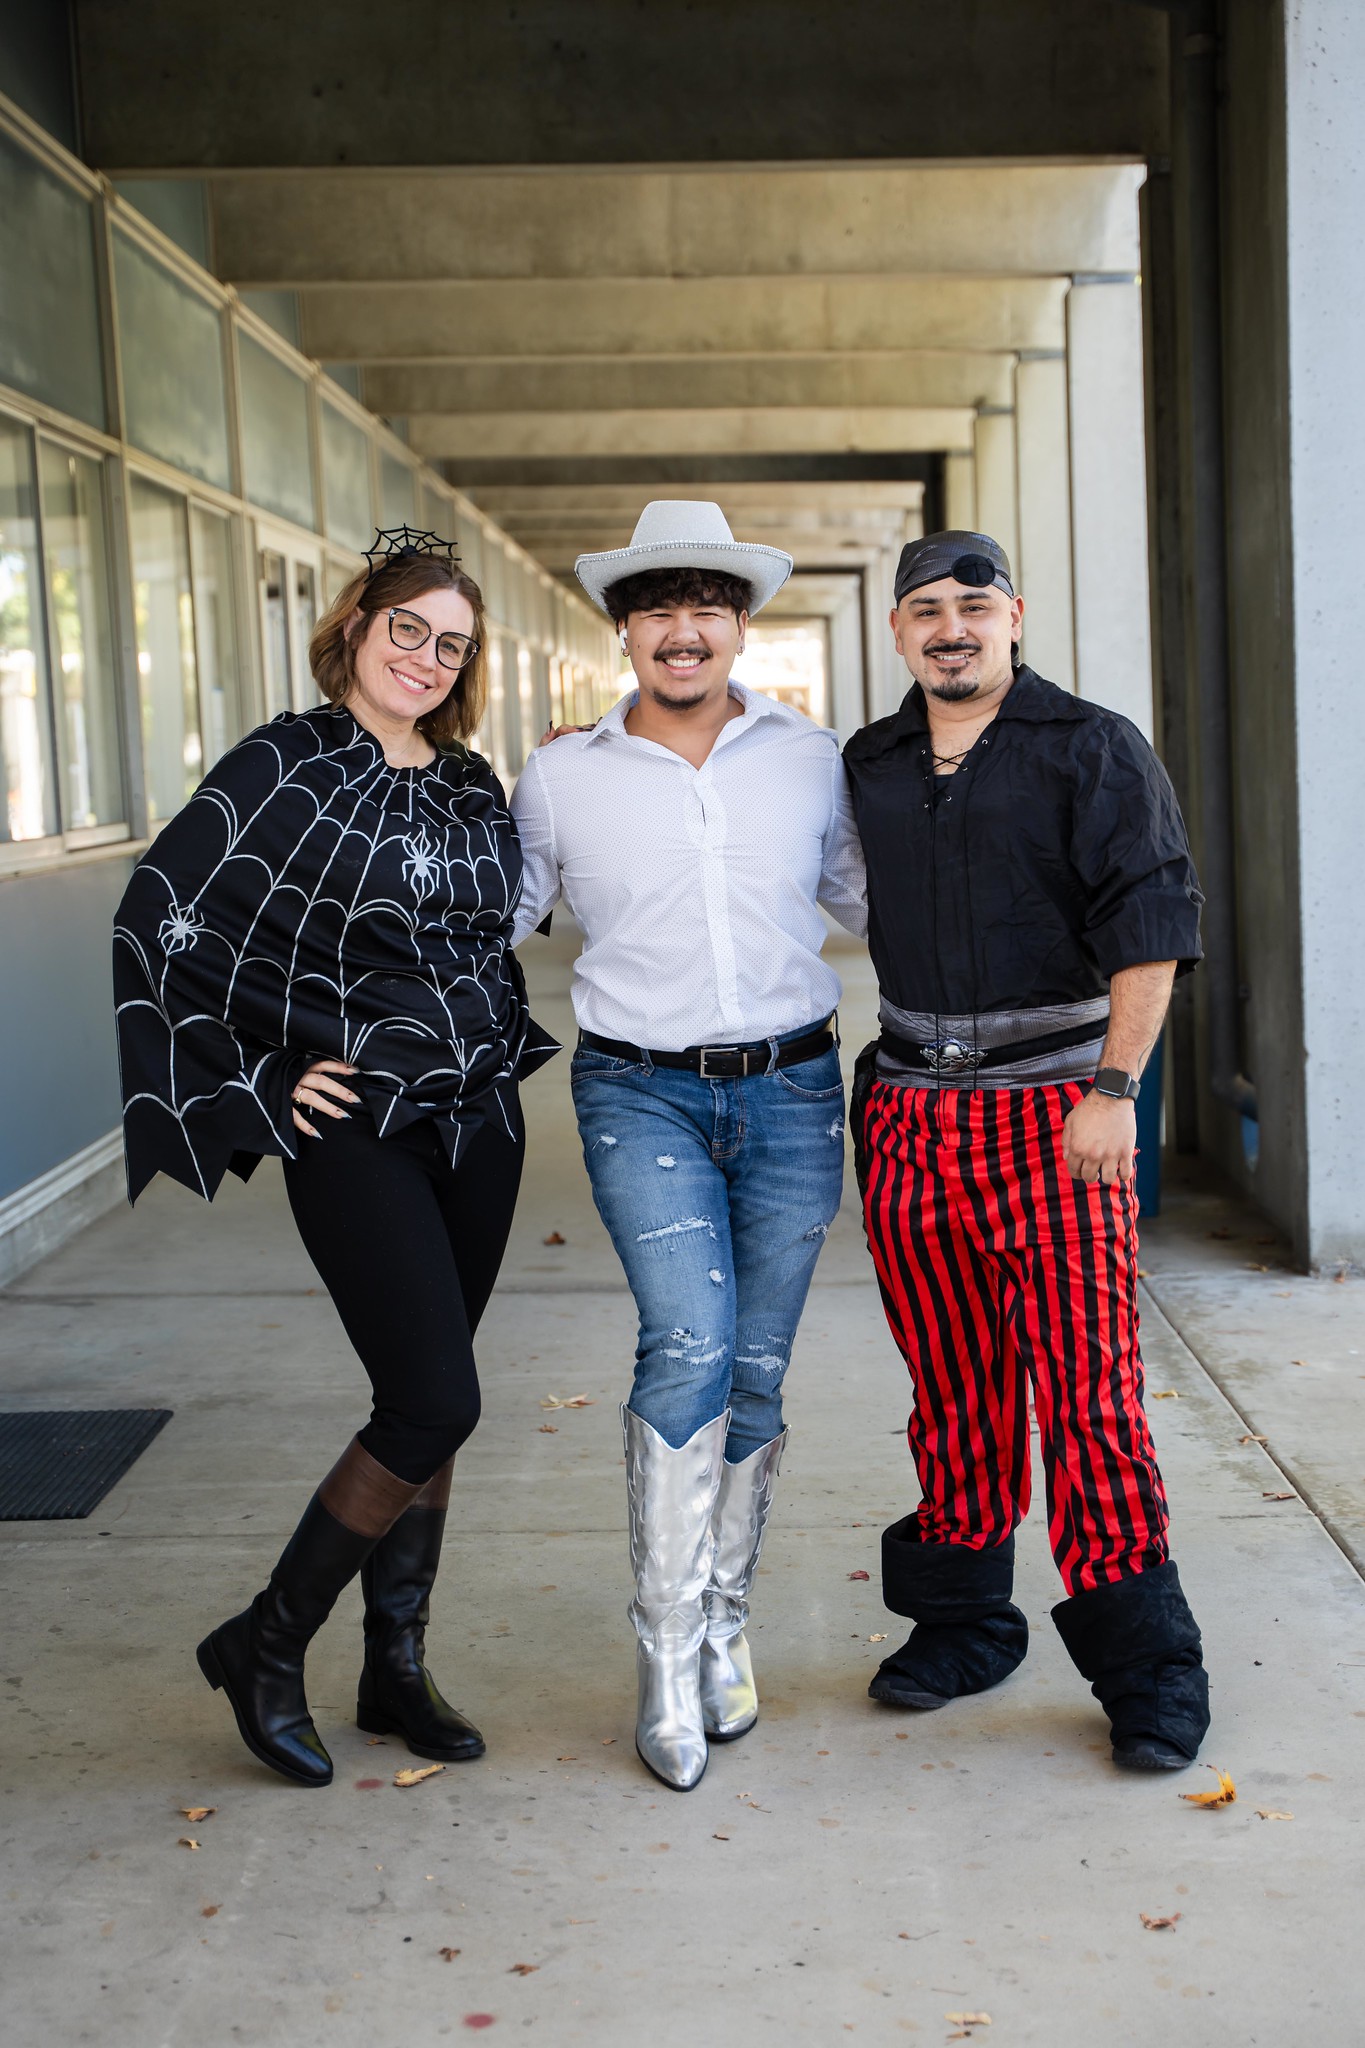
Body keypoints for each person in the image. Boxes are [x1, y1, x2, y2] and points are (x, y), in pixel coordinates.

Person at [113, 527, 554, 1788]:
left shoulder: (469, 780)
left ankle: (393, 1664)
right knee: (435, 1398)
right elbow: (160, 916)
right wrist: (261, 1075)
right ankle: (265, 1641)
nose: (427, 656)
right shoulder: (283, 758)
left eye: (452, 642)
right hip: (355, 1125)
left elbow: (497, 924)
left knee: (428, 1401)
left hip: (481, 1117)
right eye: (407, 628)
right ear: (357, 627)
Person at [510, 500, 866, 1790]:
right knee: (692, 1344)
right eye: (655, 604)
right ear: (623, 629)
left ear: (741, 624)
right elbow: (489, 918)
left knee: (758, 1369)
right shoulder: (561, 775)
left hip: (792, 1093)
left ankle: (724, 1622)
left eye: (706, 603)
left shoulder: (812, 759)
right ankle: (663, 1653)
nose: (682, 626)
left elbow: (881, 898)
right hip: (639, 1093)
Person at [843, 528, 1211, 1773]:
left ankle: (1149, 1666)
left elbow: (1152, 921)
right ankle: (964, 1623)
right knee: (954, 1386)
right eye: (926, 608)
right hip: (909, 1113)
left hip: (1056, 1117)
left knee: (1089, 1395)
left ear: (1014, 614)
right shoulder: (871, 760)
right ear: (898, 630)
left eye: (974, 603)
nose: (951, 626)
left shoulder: (1093, 745)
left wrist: (1116, 1088)